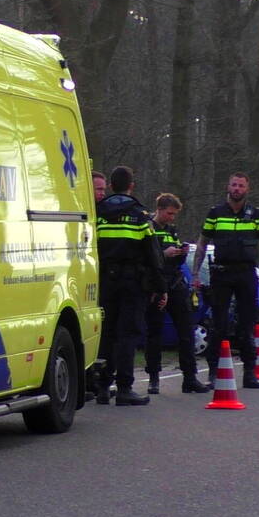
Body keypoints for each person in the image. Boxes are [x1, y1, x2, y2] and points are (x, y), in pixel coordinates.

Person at [192, 172, 259, 389]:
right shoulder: (216, 213)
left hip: (246, 273)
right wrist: (195, 274)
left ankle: (250, 374)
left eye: (241, 186)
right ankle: (214, 373)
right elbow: (202, 244)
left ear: (247, 189)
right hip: (221, 274)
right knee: (218, 325)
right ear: (228, 187)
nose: (237, 189)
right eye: (234, 185)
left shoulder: (256, 214)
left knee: (248, 324)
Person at [95, 166, 166, 406]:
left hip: (105, 281)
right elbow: (153, 253)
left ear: (111, 186)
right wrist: (161, 287)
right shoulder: (139, 214)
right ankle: (124, 387)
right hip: (133, 283)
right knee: (128, 333)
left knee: (106, 333)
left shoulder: (98, 213)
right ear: (131, 186)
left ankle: (102, 387)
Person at [144, 193, 210, 394]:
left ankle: (190, 377)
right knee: (154, 333)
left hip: (176, 284)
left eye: (174, 214)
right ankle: (153, 378)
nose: (172, 218)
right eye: (170, 213)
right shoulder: (147, 228)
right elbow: (146, 257)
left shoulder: (172, 230)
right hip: (156, 285)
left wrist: (181, 253)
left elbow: (176, 260)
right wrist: (164, 254)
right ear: (160, 209)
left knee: (186, 331)